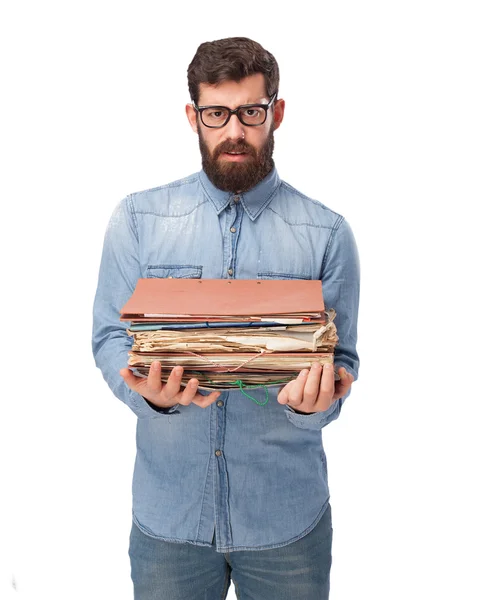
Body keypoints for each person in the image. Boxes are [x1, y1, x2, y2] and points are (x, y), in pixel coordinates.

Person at [92, 36, 360, 600]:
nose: (233, 131)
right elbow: (112, 336)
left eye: (250, 112)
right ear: (193, 116)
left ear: (276, 113)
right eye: (216, 113)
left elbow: (343, 361)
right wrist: (152, 395)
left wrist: (322, 403)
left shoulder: (328, 234)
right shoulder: (138, 219)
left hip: (287, 523)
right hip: (170, 521)